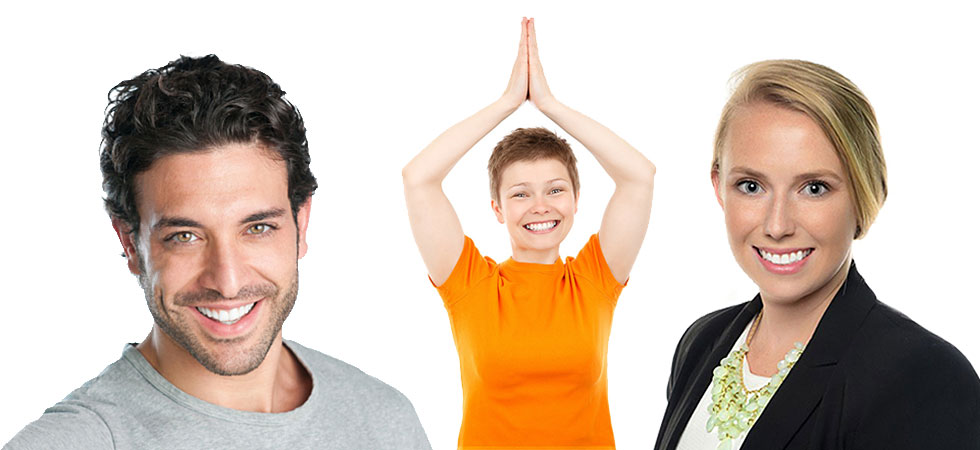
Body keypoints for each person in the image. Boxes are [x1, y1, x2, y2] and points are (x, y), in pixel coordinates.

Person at [4, 55, 430, 450]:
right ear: (129, 242)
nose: (227, 282)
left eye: (258, 228)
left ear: (301, 224)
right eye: (185, 236)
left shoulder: (384, 421)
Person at [654, 60, 980, 450]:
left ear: (863, 193)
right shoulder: (701, 342)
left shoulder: (924, 376)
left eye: (813, 188)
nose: (777, 225)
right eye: (751, 185)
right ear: (719, 188)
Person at [403, 18, 655, 448]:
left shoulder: (595, 278)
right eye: (521, 194)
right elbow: (418, 178)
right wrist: (507, 102)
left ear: (576, 200)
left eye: (555, 190)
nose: (541, 206)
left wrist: (550, 104)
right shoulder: (470, 283)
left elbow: (639, 176)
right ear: (498, 209)